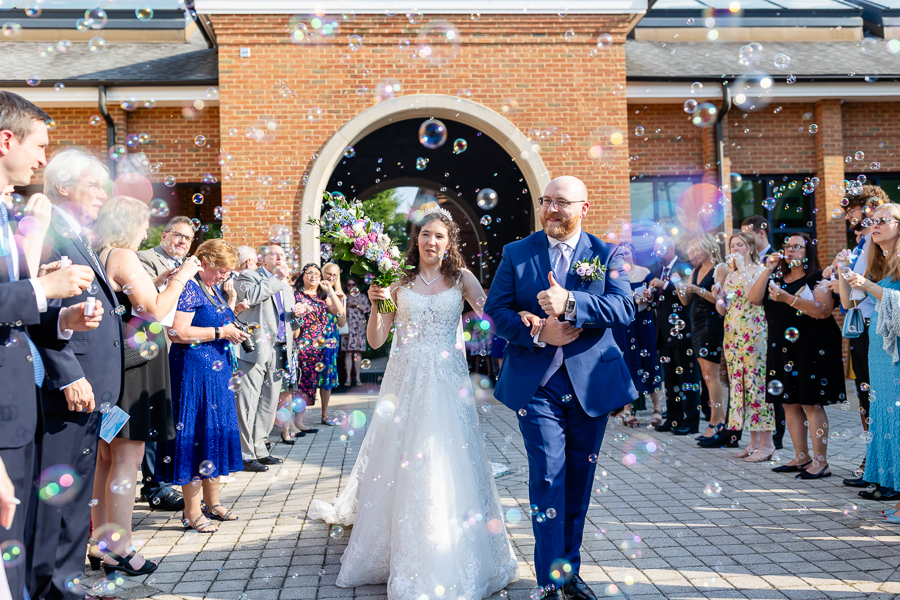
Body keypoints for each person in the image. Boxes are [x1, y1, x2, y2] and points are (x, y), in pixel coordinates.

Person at [308, 206, 519, 599]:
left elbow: (493, 313)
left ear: (449, 242)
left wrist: (527, 317)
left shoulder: (462, 278)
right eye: (425, 234)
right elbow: (376, 339)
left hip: (448, 383)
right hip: (405, 382)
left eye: (439, 236)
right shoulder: (396, 280)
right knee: (403, 456)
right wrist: (377, 303)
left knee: (448, 458)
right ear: (416, 239)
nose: (431, 241)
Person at [485, 176, 636, 599]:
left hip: (591, 385)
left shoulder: (608, 254)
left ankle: (568, 570)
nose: (552, 209)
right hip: (538, 386)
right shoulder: (517, 252)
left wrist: (571, 303)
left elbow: (624, 307)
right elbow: (495, 310)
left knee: (578, 480)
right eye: (546, 200)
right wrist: (537, 332)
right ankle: (550, 581)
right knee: (549, 475)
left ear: (584, 208)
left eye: (562, 202)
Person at [0, 92, 104, 600]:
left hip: (19, 399)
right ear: (6, 140)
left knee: (14, 542)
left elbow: (16, 309)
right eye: (39, 145)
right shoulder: (30, 219)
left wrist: (62, 315)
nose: (43, 158)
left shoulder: (11, 212)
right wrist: (43, 288)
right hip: (10, 403)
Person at [88, 197, 201, 576]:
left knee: (106, 459)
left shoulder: (102, 252)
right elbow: (153, 310)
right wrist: (183, 276)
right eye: (144, 224)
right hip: (134, 366)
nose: (145, 232)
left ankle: (99, 542)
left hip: (115, 364)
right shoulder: (124, 254)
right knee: (127, 459)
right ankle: (119, 550)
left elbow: (128, 299)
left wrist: (155, 282)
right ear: (130, 224)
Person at [32, 148, 126, 600]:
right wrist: (68, 374)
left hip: (91, 386)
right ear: (63, 186)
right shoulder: (47, 231)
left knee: (76, 499)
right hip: (67, 387)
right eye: (94, 185)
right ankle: (50, 587)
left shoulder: (78, 234)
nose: (102, 194)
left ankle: (67, 585)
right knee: (58, 498)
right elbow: (38, 310)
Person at [158, 239, 249, 533]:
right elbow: (177, 332)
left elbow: (215, 321)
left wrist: (231, 318)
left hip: (216, 373)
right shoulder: (188, 287)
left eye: (228, 271)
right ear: (205, 262)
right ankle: (192, 511)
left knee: (214, 433)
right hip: (193, 373)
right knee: (197, 436)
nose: (225, 275)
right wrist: (221, 332)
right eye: (221, 270)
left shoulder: (213, 288)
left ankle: (213, 502)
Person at [749, 233, 843, 479]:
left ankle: (821, 463)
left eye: (796, 247)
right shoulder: (776, 278)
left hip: (812, 347)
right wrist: (767, 269)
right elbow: (753, 298)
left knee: (811, 402)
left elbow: (823, 311)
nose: (789, 251)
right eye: (787, 247)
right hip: (782, 348)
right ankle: (802, 457)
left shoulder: (819, 278)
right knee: (789, 402)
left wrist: (788, 299)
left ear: (807, 252)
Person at [824, 185, 890, 488]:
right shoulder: (863, 244)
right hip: (860, 326)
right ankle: (872, 460)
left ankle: (877, 463)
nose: (849, 216)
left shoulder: (878, 244)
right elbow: (851, 294)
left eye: (852, 209)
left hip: (876, 326)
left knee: (877, 396)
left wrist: (846, 281)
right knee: (865, 396)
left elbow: (869, 286)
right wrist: (841, 272)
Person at [838, 203, 900, 507]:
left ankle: (896, 482)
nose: (874, 225)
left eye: (883, 220)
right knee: (882, 415)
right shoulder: (880, 263)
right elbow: (848, 303)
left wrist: (869, 286)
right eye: (872, 221)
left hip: (895, 352)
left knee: (896, 416)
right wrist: (843, 272)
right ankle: (887, 479)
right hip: (879, 351)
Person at [136, 215, 197, 512]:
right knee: (152, 415)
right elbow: (142, 303)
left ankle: (164, 478)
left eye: (187, 238)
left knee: (168, 416)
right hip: (151, 346)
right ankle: (154, 487)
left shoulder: (190, 266)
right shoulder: (145, 259)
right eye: (177, 235)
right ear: (164, 236)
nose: (182, 241)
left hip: (180, 350)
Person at [234, 244, 301, 472]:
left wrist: (298, 315)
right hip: (255, 347)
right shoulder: (248, 276)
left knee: (269, 403)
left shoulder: (286, 286)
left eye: (283, 255)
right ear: (262, 260)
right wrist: (276, 278)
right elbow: (250, 298)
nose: (280, 258)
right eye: (274, 254)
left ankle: (260, 449)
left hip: (281, 348)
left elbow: (289, 321)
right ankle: (245, 454)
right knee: (248, 402)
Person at [716, 233, 775, 462]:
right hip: (733, 336)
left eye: (740, 245)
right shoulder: (731, 275)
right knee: (740, 387)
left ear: (750, 248)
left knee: (756, 386)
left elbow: (754, 297)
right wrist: (718, 297)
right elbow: (724, 309)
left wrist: (742, 268)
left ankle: (767, 444)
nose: (735, 249)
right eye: (732, 245)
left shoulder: (760, 271)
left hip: (754, 335)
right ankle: (753, 442)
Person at [648, 237, 702, 436]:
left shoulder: (683, 266)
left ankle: (691, 421)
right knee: (670, 379)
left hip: (682, 330)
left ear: (670, 247)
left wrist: (665, 284)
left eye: (660, 249)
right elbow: (660, 300)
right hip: (663, 332)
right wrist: (650, 297)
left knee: (687, 377)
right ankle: (673, 418)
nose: (657, 253)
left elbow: (686, 294)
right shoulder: (657, 270)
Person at [679, 234, 729, 447]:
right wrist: (681, 288)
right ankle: (717, 420)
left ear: (708, 248)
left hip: (712, 323)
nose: (693, 254)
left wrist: (698, 290)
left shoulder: (720, 268)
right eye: (691, 251)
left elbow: (721, 300)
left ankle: (717, 422)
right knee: (706, 376)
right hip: (697, 323)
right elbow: (686, 301)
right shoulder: (696, 271)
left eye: (696, 250)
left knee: (711, 375)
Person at [742, 215, 785, 448]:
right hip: (752, 331)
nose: (744, 240)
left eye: (748, 234)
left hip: (774, 326)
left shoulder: (777, 259)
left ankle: (776, 435)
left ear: (761, 233)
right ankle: (760, 436)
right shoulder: (746, 263)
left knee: (774, 381)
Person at [611, 242, 662, 428]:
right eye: (622, 252)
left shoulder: (645, 272)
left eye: (628, 252)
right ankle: (628, 409)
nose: (626, 255)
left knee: (649, 361)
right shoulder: (615, 275)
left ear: (633, 254)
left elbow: (653, 298)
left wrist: (647, 297)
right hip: (625, 324)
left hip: (643, 321)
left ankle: (657, 407)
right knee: (627, 362)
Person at [293, 263, 345, 425]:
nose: (313, 276)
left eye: (316, 273)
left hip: (323, 344)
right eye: (309, 272)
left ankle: (312, 418)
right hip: (303, 344)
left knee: (324, 378)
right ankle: (297, 422)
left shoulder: (324, 296)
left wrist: (331, 291)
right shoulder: (295, 294)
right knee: (302, 382)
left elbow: (340, 316)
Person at [320, 263, 347, 396]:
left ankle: (325, 409)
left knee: (327, 372)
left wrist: (334, 295)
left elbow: (342, 322)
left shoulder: (341, 296)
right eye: (328, 273)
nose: (331, 277)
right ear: (322, 273)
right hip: (315, 335)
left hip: (330, 337)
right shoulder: (317, 292)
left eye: (334, 275)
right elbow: (331, 309)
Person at [342, 277, 370, 387]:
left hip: (359, 328)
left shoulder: (362, 297)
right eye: (349, 285)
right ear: (346, 286)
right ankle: (348, 378)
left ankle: (358, 378)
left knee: (358, 353)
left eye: (353, 284)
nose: (351, 287)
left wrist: (355, 304)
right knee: (348, 353)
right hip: (347, 329)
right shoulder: (344, 297)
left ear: (356, 285)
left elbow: (368, 309)